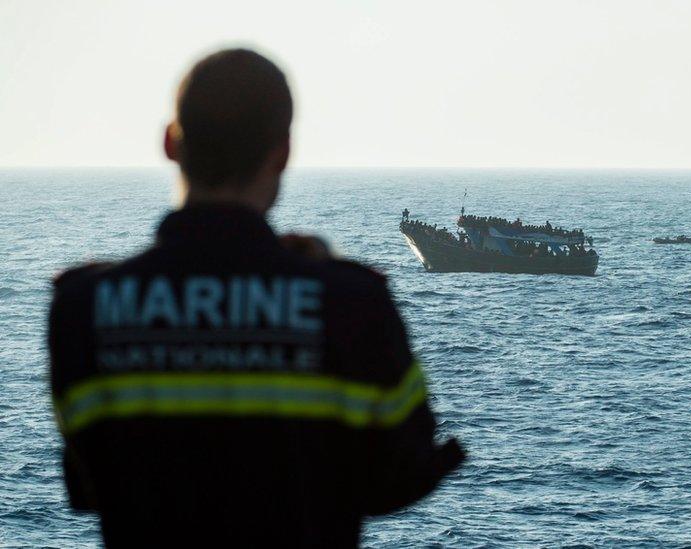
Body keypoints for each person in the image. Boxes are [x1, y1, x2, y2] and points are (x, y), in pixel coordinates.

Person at [47, 49, 464, 548]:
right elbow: (401, 475)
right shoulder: (351, 304)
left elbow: (88, 482)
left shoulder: (84, 307)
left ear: (169, 142)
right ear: (282, 152)